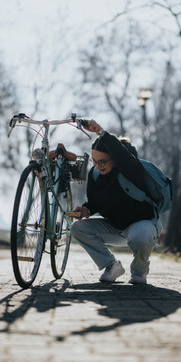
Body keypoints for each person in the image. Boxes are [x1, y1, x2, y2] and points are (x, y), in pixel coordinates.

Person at [70, 119, 162, 284]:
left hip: (141, 225)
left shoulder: (131, 170)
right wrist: (86, 210)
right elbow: (94, 203)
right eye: (94, 161)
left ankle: (139, 272)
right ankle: (111, 266)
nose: (97, 166)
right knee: (78, 228)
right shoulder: (95, 175)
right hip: (114, 228)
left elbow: (123, 157)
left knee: (141, 237)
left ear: (115, 159)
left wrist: (101, 132)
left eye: (102, 162)